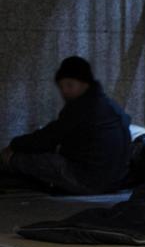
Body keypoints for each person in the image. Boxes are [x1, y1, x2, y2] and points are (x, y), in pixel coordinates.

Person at [0, 56, 132, 194]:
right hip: (115, 182)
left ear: (84, 83)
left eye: (70, 85)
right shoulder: (108, 105)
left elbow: (47, 138)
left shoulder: (83, 107)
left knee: (24, 159)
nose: (65, 91)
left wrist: (13, 146)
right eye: (61, 86)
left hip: (90, 181)